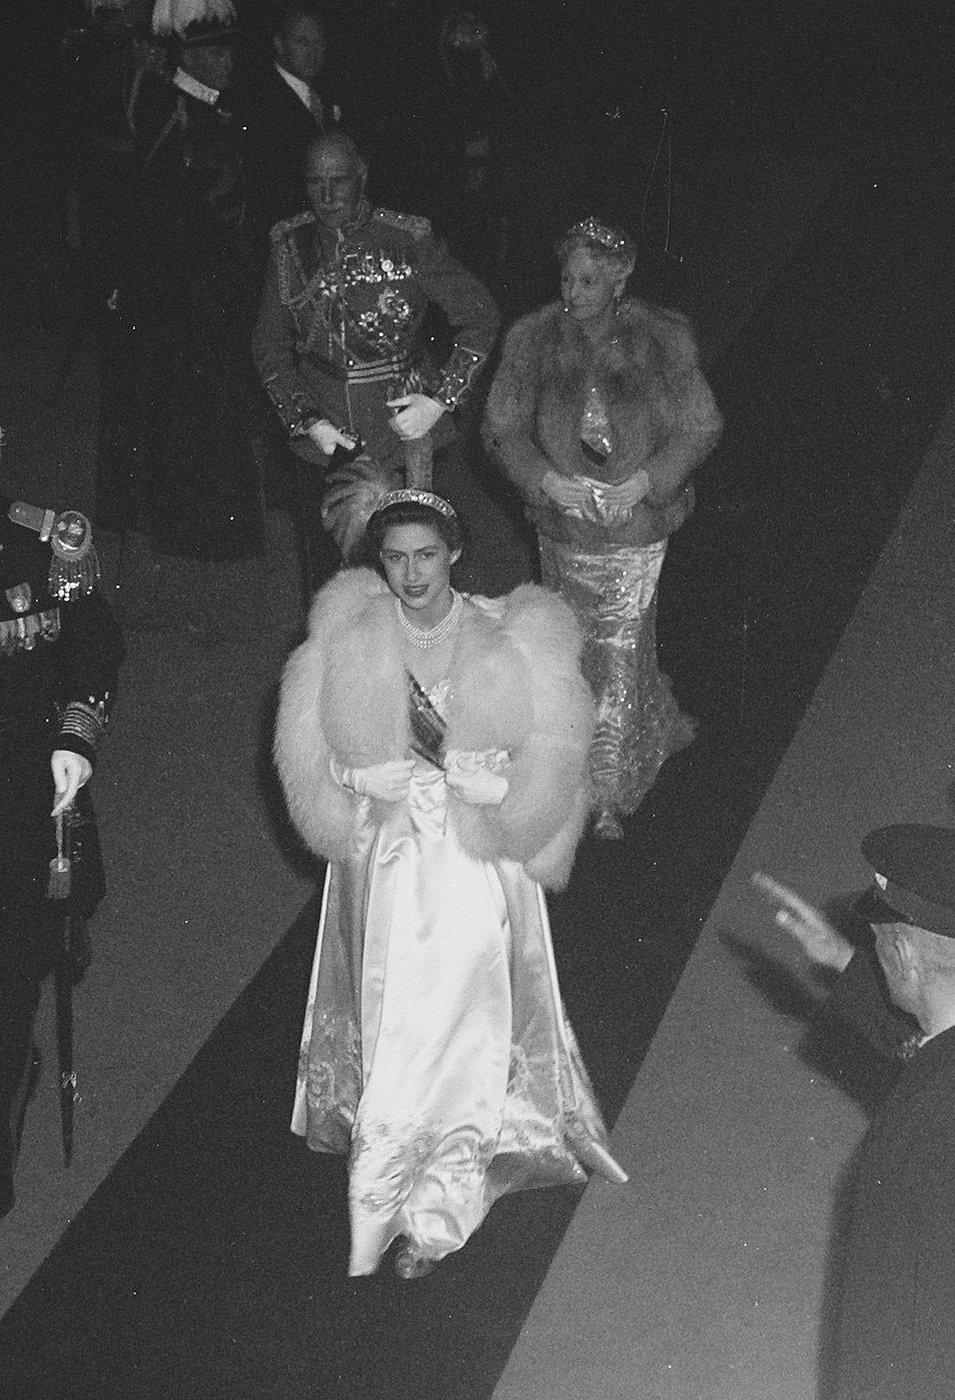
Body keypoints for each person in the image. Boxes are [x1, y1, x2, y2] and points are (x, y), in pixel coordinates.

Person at [274, 487, 626, 1278]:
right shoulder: (347, 634)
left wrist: (504, 792)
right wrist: (353, 776)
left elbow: (560, 753)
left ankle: (437, 1208)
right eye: (394, 557)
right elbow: (308, 751)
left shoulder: (510, 632)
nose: (410, 574)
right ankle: (393, 1179)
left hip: (475, 855)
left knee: (462, 1024)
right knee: (395, 1015)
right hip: (387, 854)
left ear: (454, 554)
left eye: (426, 555)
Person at [483, 215, 722, 839]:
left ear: (620, 281)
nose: (574, 292)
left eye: (589, 281)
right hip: (564, 530)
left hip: (635, 527)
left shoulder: (661, 340)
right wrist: (544, 480)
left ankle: (608, 785)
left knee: (619, 644)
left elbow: (701, 426)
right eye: (567, 279)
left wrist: (647, 481)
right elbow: (501, 429)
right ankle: (591, 740)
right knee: (572, 642)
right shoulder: (533, 339)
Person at [754, 825, 955, 1400]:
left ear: (903, 955)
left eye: (877, 944)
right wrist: (845, 959)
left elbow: (901, 1326)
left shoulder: (921, 1136)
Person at [252, 131, 500, 585]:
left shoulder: (405, 238)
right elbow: (269, 346)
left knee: (412, 573)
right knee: (332, 583)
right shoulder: (290, 246)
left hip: (403, 431)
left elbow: (480, 316)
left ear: (362, 176)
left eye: (339, 181)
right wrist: (307, 420)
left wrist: (440, 401)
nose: (327, 196)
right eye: (315, 183)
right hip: (324, 432)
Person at [99, 0, 268, 561]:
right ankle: (196, 534)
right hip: (187, 296)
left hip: (208, 291)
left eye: (229, 51)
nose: (227, 63)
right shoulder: (177, 117)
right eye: (214, 53)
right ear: (188, 58)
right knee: (191, 413)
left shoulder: (211, 110)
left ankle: (204, 528)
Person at [0, 497, 124, 1218]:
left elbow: (94, 646)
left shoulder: (42, 548)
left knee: (10, 981)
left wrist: (76, 736)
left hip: (16, 800)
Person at [244, 2, 342, 233]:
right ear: (279, 44)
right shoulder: (261, 101)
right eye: (302, 42)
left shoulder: (327, 93)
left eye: (319, 42)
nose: (313, 53)